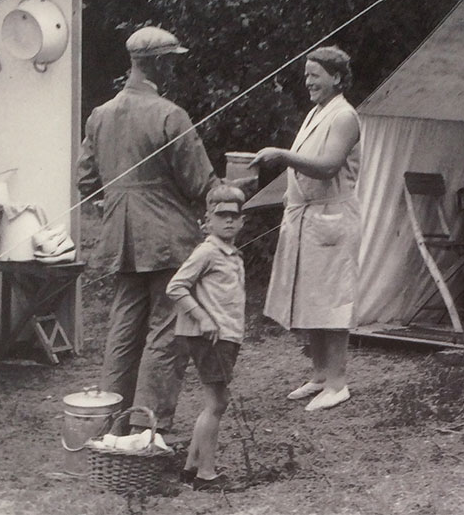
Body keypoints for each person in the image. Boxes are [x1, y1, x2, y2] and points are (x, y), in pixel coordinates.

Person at [77, 25, 221, 433]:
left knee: (123, 328)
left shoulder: (100, 115)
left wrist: (120, 202)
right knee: (168, 330)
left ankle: (109, 423)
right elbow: (200, 183)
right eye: (172, 61)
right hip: (168, 239)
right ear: (158, 64)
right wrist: (232, 190)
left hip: (120, 236)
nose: (175, 69)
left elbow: (86, 182)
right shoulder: (169, 114)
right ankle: (146, 429)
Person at [250, 46, 361, 412]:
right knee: (311, 297)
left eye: (315, 74)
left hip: (331, 218)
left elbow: (328, 166)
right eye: (306, 75)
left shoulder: (344, 116)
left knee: (331, 301)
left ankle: (338, 382)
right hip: (307, 218)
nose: (308, 81)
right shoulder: (318, 112)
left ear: (337, 77)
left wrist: (282, 155)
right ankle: (318, 376)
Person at [165, 185, 246, 492]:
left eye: (234, 216)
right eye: (221, 215)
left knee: (214, 402)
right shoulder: (208, 251)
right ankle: (206, 475)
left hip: (225, 335)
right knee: (217, 402)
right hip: (210, 336)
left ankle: (190, 468)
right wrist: (202, 317)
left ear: (242, 221)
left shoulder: (230, 253)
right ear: (207, 221)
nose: (228, 221)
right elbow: (176, 287)